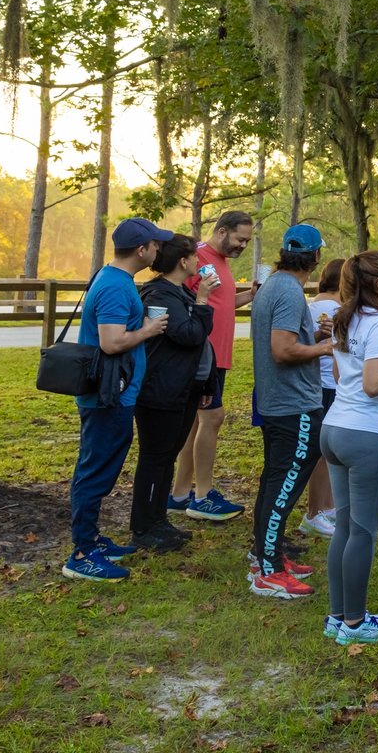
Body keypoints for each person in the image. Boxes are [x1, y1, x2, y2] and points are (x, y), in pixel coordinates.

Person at [62, 218, 172, 581]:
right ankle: (82, 553)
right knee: (95, 472)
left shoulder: (117, 280)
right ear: (142, 250)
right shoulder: (113, 286)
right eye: (156, 245)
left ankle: (91, 539)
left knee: (100, 469)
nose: (159, 250)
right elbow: (110, 343)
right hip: (107, 396)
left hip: (117, 394)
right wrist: (149, 330)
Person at [319, 251, 378, 644]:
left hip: (337, 427)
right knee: (362, 532)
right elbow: (374, 385)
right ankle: (356, 625)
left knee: (346, 526)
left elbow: (343, 373)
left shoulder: (347, 317)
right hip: (368, 435)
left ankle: (339, 616)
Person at [246, 223, 336, 598]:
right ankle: (267, 572)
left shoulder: (277, 284)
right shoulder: (288, 290)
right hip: (292, 406)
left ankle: (267, 554)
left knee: (274, 483)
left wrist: (313, 338)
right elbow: (282, 351)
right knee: (282, 488)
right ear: (316, 256)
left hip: (281, 402)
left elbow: (286, 341)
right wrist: (325, 349)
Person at [132, 235, 219, 553]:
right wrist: (203, 300)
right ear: (183, 262)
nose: (199, 262)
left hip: (184, 389)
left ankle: (158, 521)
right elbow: (190, 335)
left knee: (166, 456)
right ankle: (144, 528)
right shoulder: (158, 295)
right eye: (194, 257)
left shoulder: (179, 292)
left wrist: (207, 385)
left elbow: (200, 347)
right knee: (155, 458)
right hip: (161, 391)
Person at [172, 210, 255, 522]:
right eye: (240, 238)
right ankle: (203, 496)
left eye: (247, 240)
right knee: (213, 417)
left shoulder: (222, 263)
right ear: (221, 231)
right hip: (201, 355)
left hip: (218, 356)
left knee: (195, 423)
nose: (243, 245)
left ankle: (180, 494)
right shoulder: (197, 258)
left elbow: (221, 303)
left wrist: (250, 294)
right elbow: (184, 300)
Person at [301, 257, 344, 539]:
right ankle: (315, 512)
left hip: (320, 383)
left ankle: (325, 508)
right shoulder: (336, 309)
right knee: (323, 453)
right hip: (328, 385)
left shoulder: (314, 304)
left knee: (326, 452)